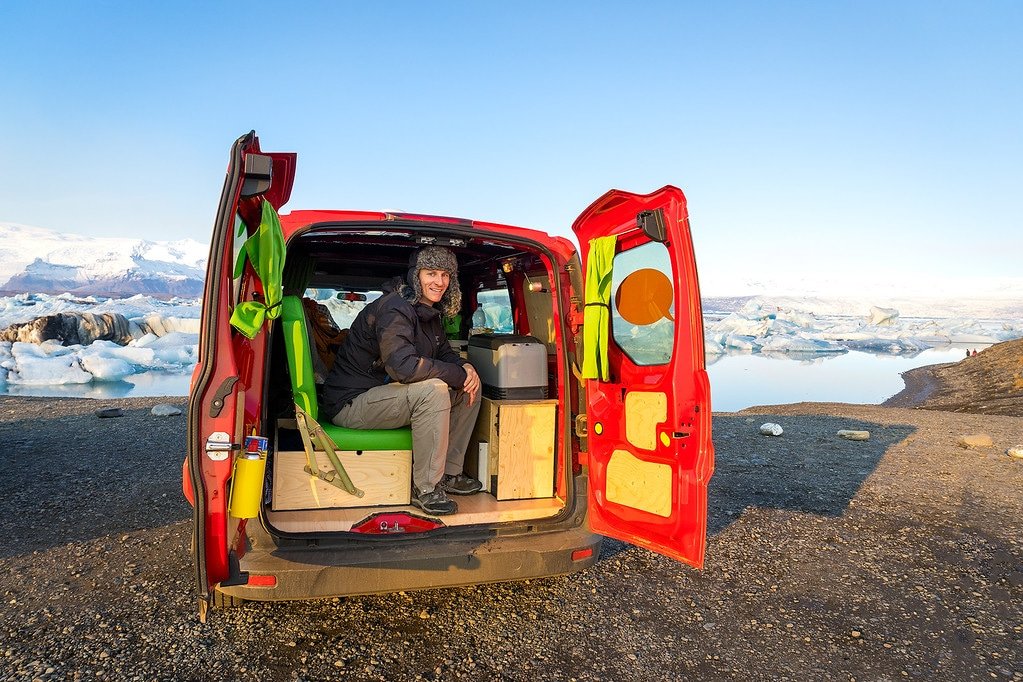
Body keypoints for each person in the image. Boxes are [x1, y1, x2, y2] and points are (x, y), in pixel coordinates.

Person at [321, 246, 483, 515]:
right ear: (415, 276)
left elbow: (444, 353)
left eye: (445, 275)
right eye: (431, 273)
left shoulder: (428, 313)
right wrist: (458, 373)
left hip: (383, 396)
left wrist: (466, 368)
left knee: (470, 389)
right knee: (434, 390)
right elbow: (403, 368)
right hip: (351, 403)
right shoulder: (394, 309)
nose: (439, 282)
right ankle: (426, 488)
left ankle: (450, 475)